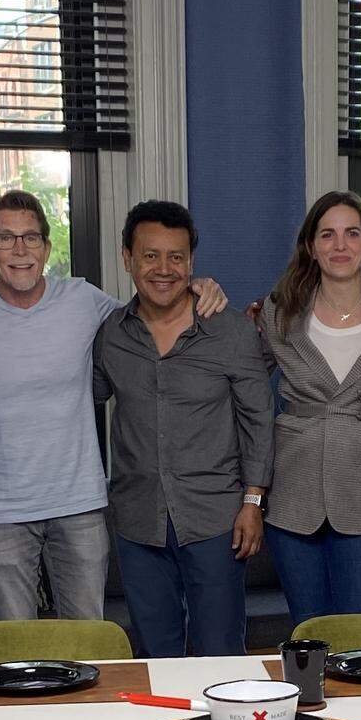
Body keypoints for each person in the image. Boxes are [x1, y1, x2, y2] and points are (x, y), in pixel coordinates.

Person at [0, 190, 227, 622]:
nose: (20, 250)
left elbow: (151, 314)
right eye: (5, 239)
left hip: (79, 504)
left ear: (47, 247)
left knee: (88, 643)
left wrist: (197, 286)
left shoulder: (81, 300)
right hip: (2, 510)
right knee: (17, 650)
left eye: (31, 238)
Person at [93, 200, 273, 657]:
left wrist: (253, 502)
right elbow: (81, 400)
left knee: (221, 651)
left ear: (191, 262)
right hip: (138, 520)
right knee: (156, 653)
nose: (164, 268)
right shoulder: (110, 335)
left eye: (177, 256)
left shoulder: (231, 332)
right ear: (127, 258)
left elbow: (258, 421)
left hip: (216, 520)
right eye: (150, 255)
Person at [258, 191, 361, 627]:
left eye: (351, 233)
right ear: (311, 245)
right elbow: (242, 383)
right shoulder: (279, 309)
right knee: (308, 632)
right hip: (293, 491)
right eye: (327, 234)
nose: (339, 245)